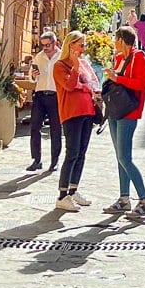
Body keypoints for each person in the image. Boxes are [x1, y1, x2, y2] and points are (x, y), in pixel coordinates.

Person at [102, 26, 145, 218]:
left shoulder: (138, 57)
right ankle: (124, 198)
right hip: (116, 111)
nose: (114, 42)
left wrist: (119, 78)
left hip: (129, 111)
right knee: (120, 157)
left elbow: (142, 83)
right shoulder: (119, 58)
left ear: (123, 40)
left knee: (125, 157)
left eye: (116, 39)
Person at [52, 31, 101, 212]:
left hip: (87, 112)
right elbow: (70, 86)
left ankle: (73, 190)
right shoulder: (60, 66)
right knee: (72, 153)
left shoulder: (84, 64)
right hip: (71, 113)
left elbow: (93, 84)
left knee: (81, 153)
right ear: (70, 45)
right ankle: (62, 195)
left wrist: (88, 89)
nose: (83, 48)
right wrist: (74, 68)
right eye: (81, 45)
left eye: (84, 45)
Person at [26, 29, 62, 173]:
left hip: (56, 96)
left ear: (55, 43)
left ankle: (54, 161)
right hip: (40, 95)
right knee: (35, 127)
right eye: (43, 45)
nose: (45, 48)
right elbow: (31, 78)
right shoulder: (38, 57)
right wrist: (33, 75)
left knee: (55, 129)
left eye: (48, 45)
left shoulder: (62, 56)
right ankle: (36, 159)